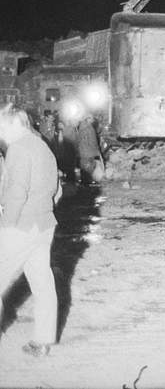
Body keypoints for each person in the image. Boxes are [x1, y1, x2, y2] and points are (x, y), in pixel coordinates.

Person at [0, 103, 61, 356]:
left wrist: (7, 226)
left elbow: (17, 192)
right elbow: (57, 189)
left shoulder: (19, 148)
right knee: (42, 283)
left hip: (22, 225)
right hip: (44, 224)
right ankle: (42, 341)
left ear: (15, 123)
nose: (0, 133)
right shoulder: (42, 146)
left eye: (2, 127)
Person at [75, 113, 103, 185]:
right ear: (87, 119)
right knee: (87, 168)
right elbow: (90, 141)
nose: (93, 120)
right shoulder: (86, 128)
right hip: (87, 152)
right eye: (91, 118)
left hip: (86, 152)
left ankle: (86, 183)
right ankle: (86, 184)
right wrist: (96, 151)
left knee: (87, 168)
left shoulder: (86, 127)